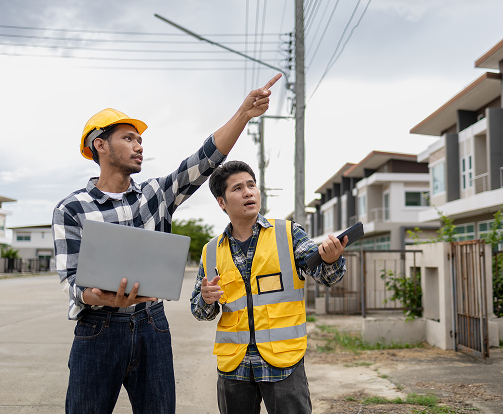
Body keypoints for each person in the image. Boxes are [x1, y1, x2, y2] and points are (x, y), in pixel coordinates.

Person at [52, 74, 281, 414]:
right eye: (128, 138)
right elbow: (71, 281)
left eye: (140, 139)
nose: (139, 145)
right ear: (99, 145)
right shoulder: (71, 208)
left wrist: (244, 114)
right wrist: (95, 296)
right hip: (98, 330)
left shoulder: (155, 195)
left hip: (151, 326)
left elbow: (205, 159)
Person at [190, 160, 348, 414]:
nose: (248, 192)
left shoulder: (288, 234)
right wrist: (206, 300)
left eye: (251, 185)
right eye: (238, 188)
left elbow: (326, 275)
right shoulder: (211, 251)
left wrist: (330, 259)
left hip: (283, 362)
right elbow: (199, 310)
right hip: (234, 366)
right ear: (222, 202)